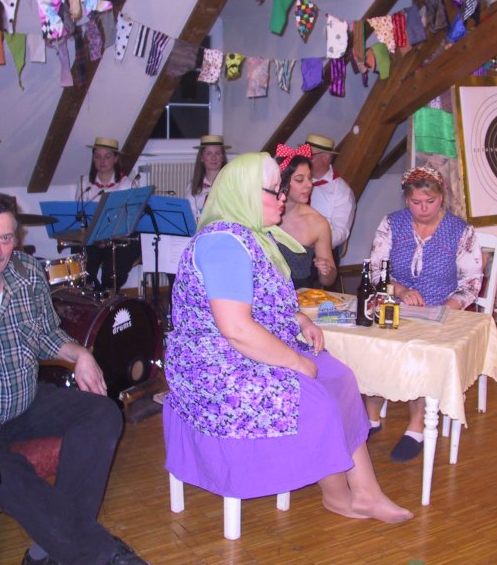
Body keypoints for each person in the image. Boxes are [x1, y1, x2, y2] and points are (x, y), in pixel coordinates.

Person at [162, 152, 412, 524]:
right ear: (246, 194)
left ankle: (366, 491)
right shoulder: (222, 245)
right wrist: (295, 361)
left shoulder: (251, 236)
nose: (283, 198)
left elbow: (260, 300)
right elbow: (237, 328)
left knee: (341, 378)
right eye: (274, 191)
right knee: (315, 397)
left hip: (243, 352)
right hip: (214, 368)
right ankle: (337, 496)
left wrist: (298, 319)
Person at [0, 190, 147, 565]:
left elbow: (44, 334)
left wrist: (80, 354)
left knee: (103, 413)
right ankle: (98, 554)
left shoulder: (26, 272)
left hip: (25, 400)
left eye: (5, 238)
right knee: (3, 471)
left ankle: (47, 551)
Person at [367, 166, 483, 463]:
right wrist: (401, 289)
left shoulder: (461, 231)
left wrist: (445, 307)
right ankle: (370, 417)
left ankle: (416, 426)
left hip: (441, 309)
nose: (423, 209)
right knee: (374, 344)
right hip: (396, 303)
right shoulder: (392, 224)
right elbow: (376, 269)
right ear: (406, 200)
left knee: (421, 353)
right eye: (416, 202)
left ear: (441, 197)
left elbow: (471, 283)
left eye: (430, 202)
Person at [74, 137, 139, 291]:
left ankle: (107, 292)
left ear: (116, 159)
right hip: (93, 237)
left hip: (119, 237)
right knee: (80, 258)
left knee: (113, 268)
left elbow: (131, 219)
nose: (102, 161)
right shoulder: (84, 183)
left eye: (107, 157)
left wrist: (109, 236)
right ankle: (89, 291)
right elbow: (80, 217)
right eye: (97, 157)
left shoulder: (128, 184)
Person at [274, 143, 337, 289]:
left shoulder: (317, 223)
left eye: (309, 178)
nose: (309, 185)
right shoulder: (262, 215)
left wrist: (326, 271)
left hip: (299, 296)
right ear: (281, 181)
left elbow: (328, 281)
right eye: (300, 179)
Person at [306, 133, 356, 260]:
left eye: (310, 155)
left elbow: (341, 231)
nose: (304, 158)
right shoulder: (295, 182)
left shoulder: (342, 191)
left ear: (326, 158)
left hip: (321, 251)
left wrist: (315, 244)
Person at [184, 134, 230, 221]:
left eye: (217, 153)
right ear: (201, 158)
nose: (213, 158)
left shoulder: (231, 185)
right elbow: (190, 215)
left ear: (222, 157)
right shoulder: (193, 187)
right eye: (209, 154)